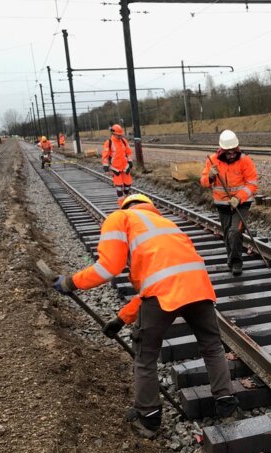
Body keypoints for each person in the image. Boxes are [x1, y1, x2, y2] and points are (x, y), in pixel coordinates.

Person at [50, 194, 239, 437]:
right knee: (212, 348)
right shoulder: (166, 223)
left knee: (145, 356)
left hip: (162, 296)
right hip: (199, 289)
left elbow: (108, 268)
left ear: (126, 206)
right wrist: (121, 319)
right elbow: (160, 280)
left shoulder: (120, 218)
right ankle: (227, 407)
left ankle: (148, 419)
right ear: (148, 206)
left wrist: (70, 282)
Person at [200, 130, 258, 276]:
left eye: (234, 152)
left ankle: (236, 263)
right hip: (222, 204)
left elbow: (252, 184)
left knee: (235, 232)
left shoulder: (245, 160)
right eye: (229, 152)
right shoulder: (212, 161)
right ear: (222, 150)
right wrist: (211, 176)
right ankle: (231, 260)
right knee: (227, 234)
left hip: (242, 203)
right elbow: (204, 182)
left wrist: (238, 198)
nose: (232, 155)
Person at [102, 124, 133, 199]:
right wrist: (106, 168)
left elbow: (129, 152)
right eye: (118, 135)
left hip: (125, 168)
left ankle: (126, 199)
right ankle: (122, 205)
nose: (120, 136)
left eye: (120, 135)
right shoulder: (109, 143)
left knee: (128, 185)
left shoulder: (124, 141)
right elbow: (105, 157)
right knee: (119, 188)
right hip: (116, 169)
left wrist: (130, 162)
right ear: (113, 134)